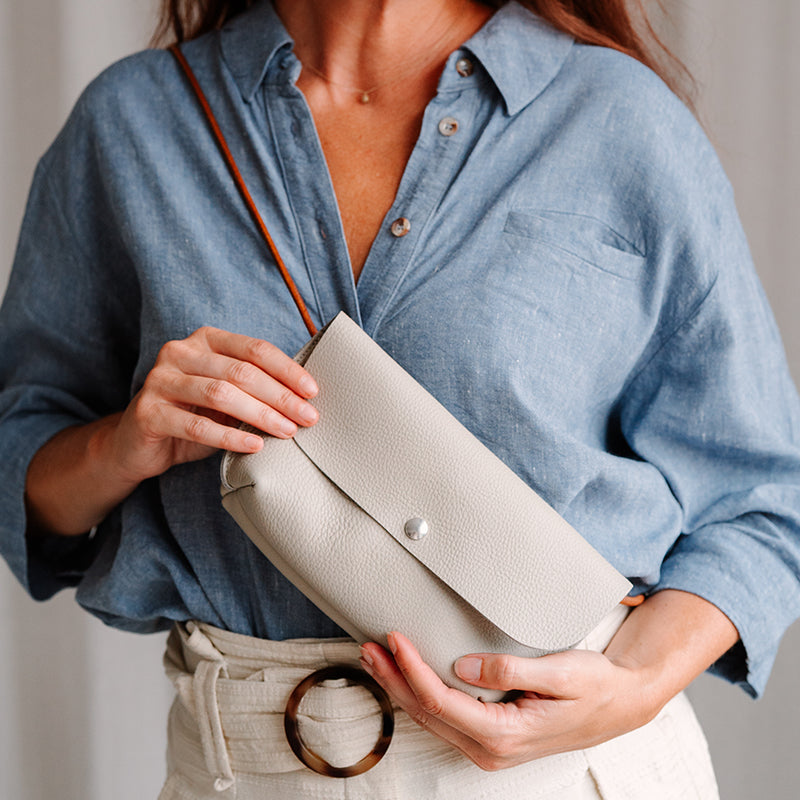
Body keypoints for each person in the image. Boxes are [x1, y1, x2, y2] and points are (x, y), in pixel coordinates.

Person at [2, 0, 799, 797]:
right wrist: (118, 446)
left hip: (559, 769)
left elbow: (765, 499)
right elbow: (21, 458)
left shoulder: (617, 118)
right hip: (243, 774)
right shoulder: (137, 121)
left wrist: (636, 682)